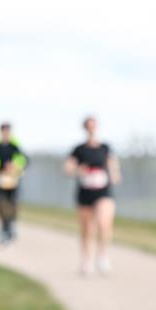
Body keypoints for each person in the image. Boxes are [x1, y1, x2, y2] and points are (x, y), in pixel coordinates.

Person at [64, 116, 121, 275]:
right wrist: (77, 170)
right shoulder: (79, 149)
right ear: (84, 128)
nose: (91, 128)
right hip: (85, 192)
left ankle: (102, 255)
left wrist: (115, 175)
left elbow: (113, 165)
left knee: (104, 223)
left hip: (103, 191)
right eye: (88, 126)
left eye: (93, 125)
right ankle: (86, 259)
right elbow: (68, 169)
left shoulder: (105, 148)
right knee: (87, 228)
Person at [0, 123, 28, 245]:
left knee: (13, 205)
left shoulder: (16, 147)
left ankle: (11, 226)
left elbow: (23, 161)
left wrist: (15, 167)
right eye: (4, 131)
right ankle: (4, 228)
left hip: (13, 181)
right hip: (0, 181)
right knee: (1, 206)